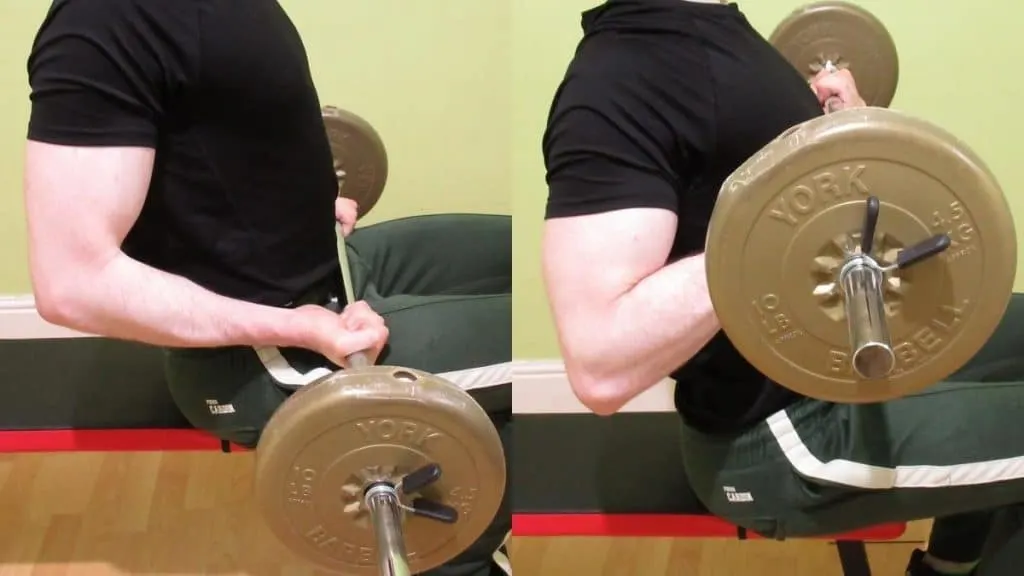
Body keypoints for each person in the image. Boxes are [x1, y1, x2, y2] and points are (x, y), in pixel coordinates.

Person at [22, 1, 511, 575]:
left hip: (335, 266)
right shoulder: (104, 20)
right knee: (531, 358)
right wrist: (297, 325)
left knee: (523, 254)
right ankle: (463, 556)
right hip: (272, 353)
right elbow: (73, 284)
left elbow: (216, 137)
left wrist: (289, 198)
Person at [540, 1, 1024, 574]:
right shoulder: (618, 80)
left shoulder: (715, 28)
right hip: (781, 437)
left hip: (841, 355)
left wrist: (838, 127)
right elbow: (600, 364)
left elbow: (772, 180)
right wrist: (765, 236)